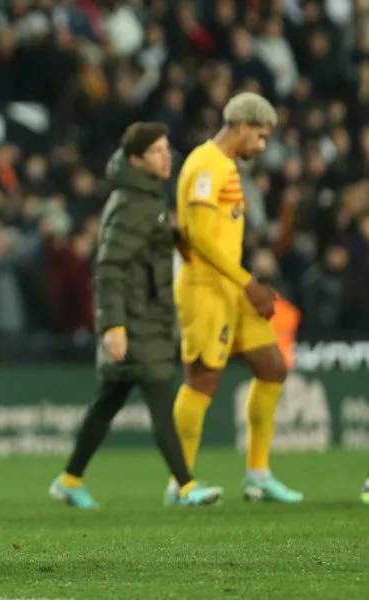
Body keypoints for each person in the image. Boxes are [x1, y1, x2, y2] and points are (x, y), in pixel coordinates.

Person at [48, 122, 223, 508]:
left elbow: (137, 252)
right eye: (157, 150)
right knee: (160, 400)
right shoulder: (133, 203)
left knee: (106, 405)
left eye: (167, 148)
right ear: (135, 160)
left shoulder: (143, 198)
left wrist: (171, 237)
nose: (167, 156)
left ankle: (70, 479)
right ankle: (185, 486)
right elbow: (109, 266)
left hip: (143, 317)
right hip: (137, 320)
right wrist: (114, 324)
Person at [171, 92, 303, 504]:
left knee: (272, 367)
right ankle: (180, 483)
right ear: (242, 126)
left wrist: (243, 283)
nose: (261, 146)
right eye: (260, 136)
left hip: (231, 285)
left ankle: (258, 476)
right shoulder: (206, 165)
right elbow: (199, 237)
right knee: (202, 379)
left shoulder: (224, 166)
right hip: (206, 288)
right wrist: (249, 282)